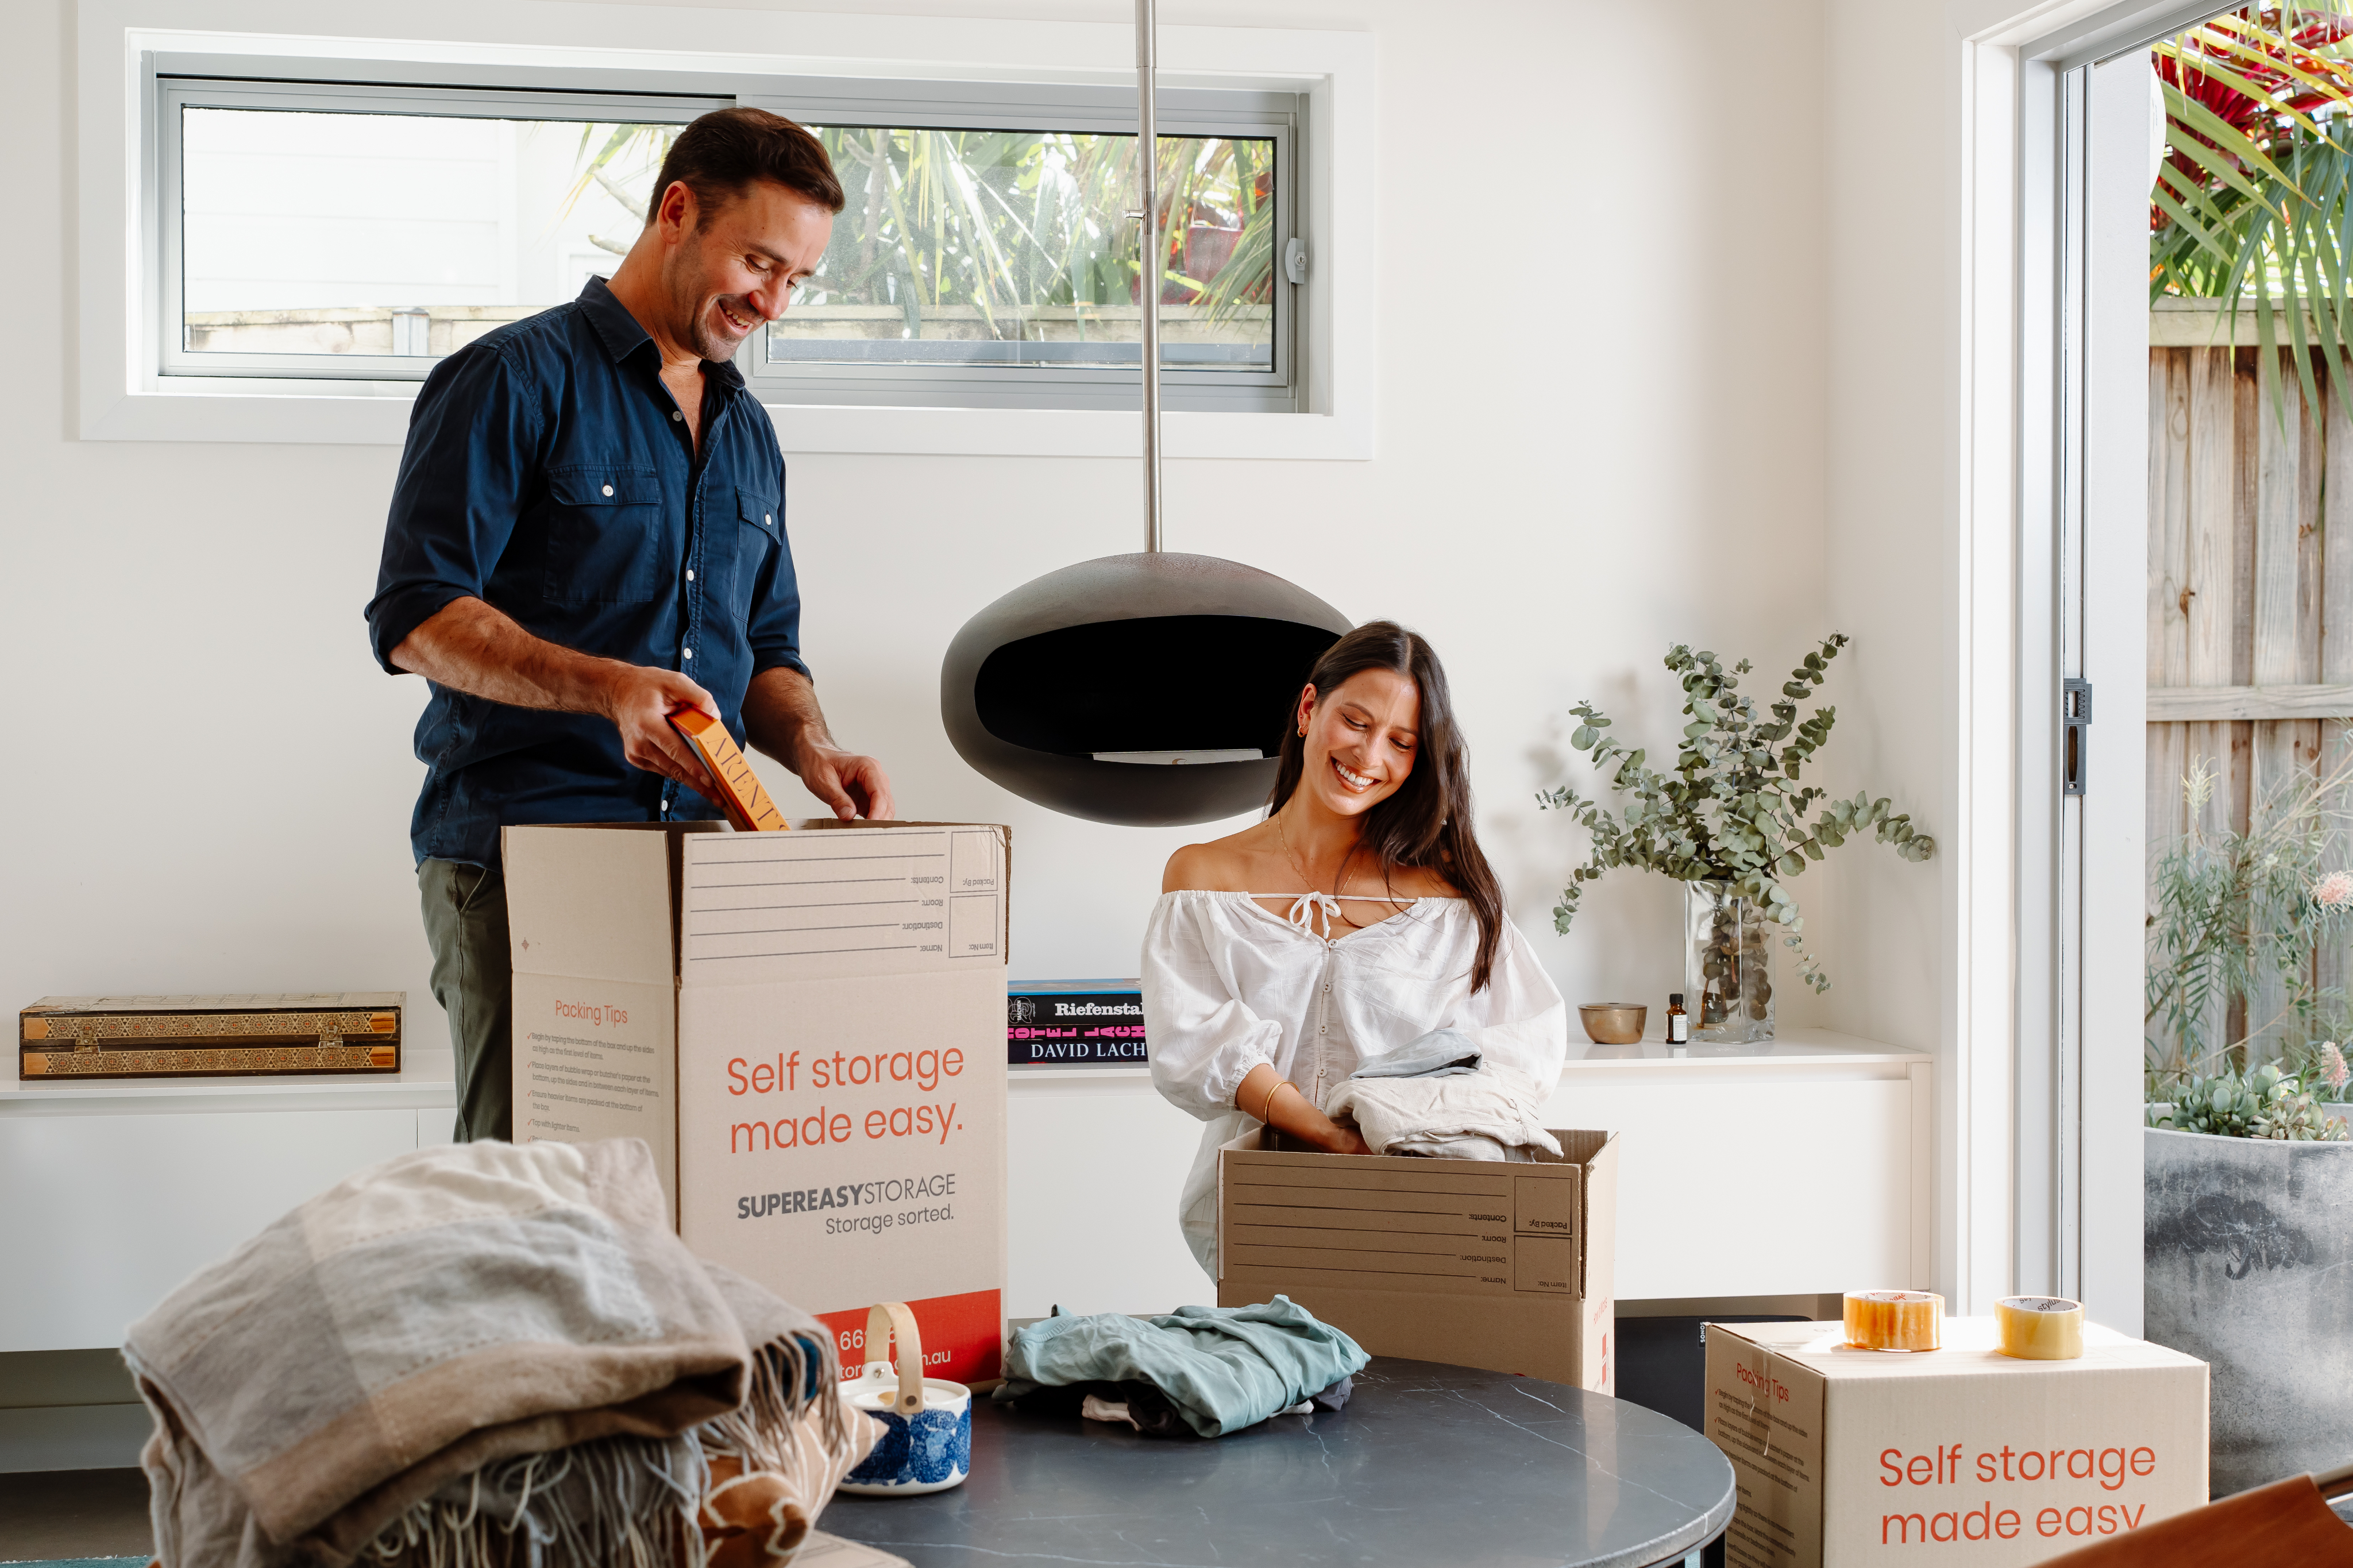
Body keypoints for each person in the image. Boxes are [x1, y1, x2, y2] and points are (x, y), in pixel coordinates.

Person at [365, 108, 893, 1144]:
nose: (772, 301)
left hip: (704, 868)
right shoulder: (511, 379)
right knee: (533, 1206)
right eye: (757, 261)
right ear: (677, 210)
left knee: (690, 1193)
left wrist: (810, 746)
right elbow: (417, 616)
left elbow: (767, 652)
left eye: (798, 281)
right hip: (525, 860)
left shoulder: (750, 433)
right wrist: (609, 687)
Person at [1144, 621, 1568, 1275]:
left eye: (1400, 742)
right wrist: (1322, 1133)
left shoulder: (1447, 892)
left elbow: (1521, 1044)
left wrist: (1398, 1130)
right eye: (1357, 722)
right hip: (1260, 1207)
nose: (1371, 758)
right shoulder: (1202, 879)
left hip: (1419, 1213)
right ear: (1309, 709)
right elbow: (1194, 1042)